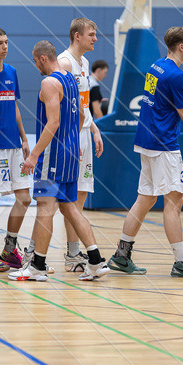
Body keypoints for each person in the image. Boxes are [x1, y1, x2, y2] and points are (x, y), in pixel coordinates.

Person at [108, 27, 183, 277]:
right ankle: (180, 262)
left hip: (146, 140)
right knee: (174, 202)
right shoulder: (177, 76)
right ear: (182, 46)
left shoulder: (156, 66)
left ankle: (121, 255)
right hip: (164, 144)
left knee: (145, 198)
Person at [8, 41, 109, 282]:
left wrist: (33, 155)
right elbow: (83, 114)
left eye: (34, 61)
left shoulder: (49, 82)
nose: (35, 66)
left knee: (44, 206)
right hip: (73, 152)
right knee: (69, 207)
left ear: (43, 58)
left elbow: (52, 123)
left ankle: (38, 266)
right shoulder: (71, 81)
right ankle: (95, 261)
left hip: (54, 155)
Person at [0, 27, 32, 272]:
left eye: (7, 42)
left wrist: (23, 138)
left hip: (14, 146)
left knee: (24, 198)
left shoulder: (12, 71)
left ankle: (9, 250)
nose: (5, 46)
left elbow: (15, 107)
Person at [57, 18, 104, 272]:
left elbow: (83, 105)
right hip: (71, 138)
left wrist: (94, 129)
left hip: (85, 135)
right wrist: (71, 138)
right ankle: (39, 251)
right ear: (77, 36)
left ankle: (73, 253)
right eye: (91, 34)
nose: (95, 38)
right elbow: (64, 107)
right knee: (61, 198)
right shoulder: (64, 63)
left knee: (81, 193)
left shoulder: (84, 63)